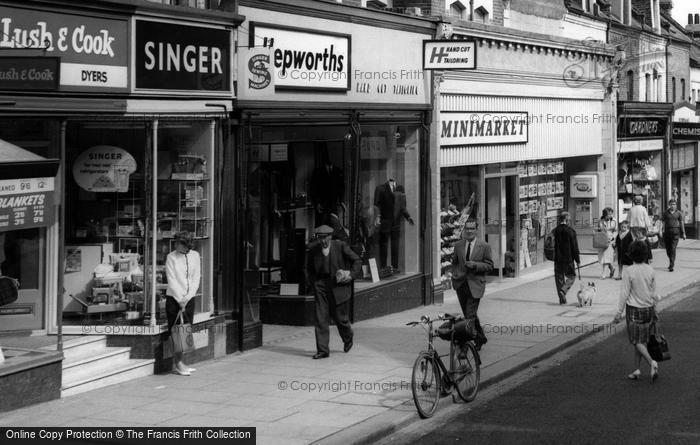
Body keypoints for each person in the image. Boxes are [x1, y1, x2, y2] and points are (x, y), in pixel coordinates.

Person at [305, 225, 361, 359]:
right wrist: (313, 283)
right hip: (320, 285)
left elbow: (357, 260)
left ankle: (348, 337)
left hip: (337, 285)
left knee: (340, 318)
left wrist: (351, 275)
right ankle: (323, 350)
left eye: (325, 238)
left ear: (330, 237)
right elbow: (308, 268)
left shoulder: (340, 246)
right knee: (320, 317)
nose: (323, 241)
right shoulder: (313, 250)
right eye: (320, 238)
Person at [613, 241, 660, 383]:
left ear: (631, 254)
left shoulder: (629, 271)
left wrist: (618, 312)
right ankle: (636, 369)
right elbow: (655, 293)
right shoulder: (651, 270)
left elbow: (624, 293)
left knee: (636, 341)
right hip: (649, 309)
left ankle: (652, 362)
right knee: (642, 340)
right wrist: (655, 306)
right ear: (645, 254)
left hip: (634, 309)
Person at [450, 219, 493, 351]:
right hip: (461, 285)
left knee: (469, 316)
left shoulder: (484, 246)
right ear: (464, 229)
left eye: (472, 228)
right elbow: (454, 262)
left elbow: (490, 265)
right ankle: (480, 337)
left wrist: (475, 265)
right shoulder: (458, 245)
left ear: (476, 229)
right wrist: (455, 274)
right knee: (470, 315)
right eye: (467, 228)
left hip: (475, 285)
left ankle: (464, 345)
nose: (469, 231)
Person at [165, 231, 201, 376]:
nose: (175, 245)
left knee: (185, 330)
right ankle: (178, 364)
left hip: (189, 299)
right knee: (175, 332)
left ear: (186, 244)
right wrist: (180, 299)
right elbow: (172, 280)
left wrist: (188, 297)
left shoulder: (195, 256)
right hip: (174, 299)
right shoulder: (171, 257)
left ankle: (181, 362)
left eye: (178, 242)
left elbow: (196, 278)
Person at [552, 212, 580, 305]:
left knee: (559, 278)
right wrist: (577, 260)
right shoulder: (571, 231)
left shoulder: (555, 230)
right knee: (571, 276)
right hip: (568, 258)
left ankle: (562, 300)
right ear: (567, 220)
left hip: (557, 258)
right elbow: (575, 247)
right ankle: (564, 291)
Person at [374, 179, 398, 270]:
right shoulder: (380, 188)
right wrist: (377, 217)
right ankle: (383, 266)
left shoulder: (399, 188)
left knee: (395, 245)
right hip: (385, 221)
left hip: (395, 223)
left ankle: (395, 267)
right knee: (384, 245)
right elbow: (376, 205)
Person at [662, 199, 686, 272]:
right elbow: (662, 222)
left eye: (674, 204)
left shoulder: (679, 213)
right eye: (671, 204)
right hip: (667, 233)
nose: (673, 205)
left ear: (676, 205)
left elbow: (681, 223)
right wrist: (661, 230)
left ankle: (671, 265)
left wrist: (683, 233)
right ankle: (671, 260)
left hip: (676, 233)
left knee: (673, 248)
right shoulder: (666, 213)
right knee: (668, 250)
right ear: (669, 205)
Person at [597, 207, 617, 279]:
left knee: (606, 257)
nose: (610, 216)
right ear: (605, 215)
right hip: (602, 240)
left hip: (610, 241)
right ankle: (612, 269)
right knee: (604, 257)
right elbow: (598, 230)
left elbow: (615, 231)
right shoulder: (600, 221)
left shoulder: (614, 221)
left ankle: (603, 274)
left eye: (611, 214)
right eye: (609, 214)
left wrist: (613, 237)